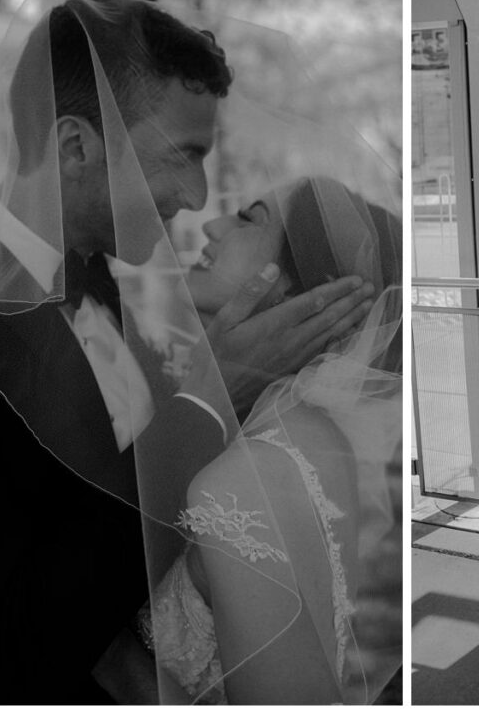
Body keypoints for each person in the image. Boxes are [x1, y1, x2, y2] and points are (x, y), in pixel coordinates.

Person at [0, 0, 375, 704]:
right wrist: (214, 398)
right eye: (181, 156)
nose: (195, 195)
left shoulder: (100, 284)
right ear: (74, 147)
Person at [133, 176, 402, 704]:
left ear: (308, 293)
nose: (211, 224)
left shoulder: (250, 478)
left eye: (248, 219)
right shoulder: (299, 435)